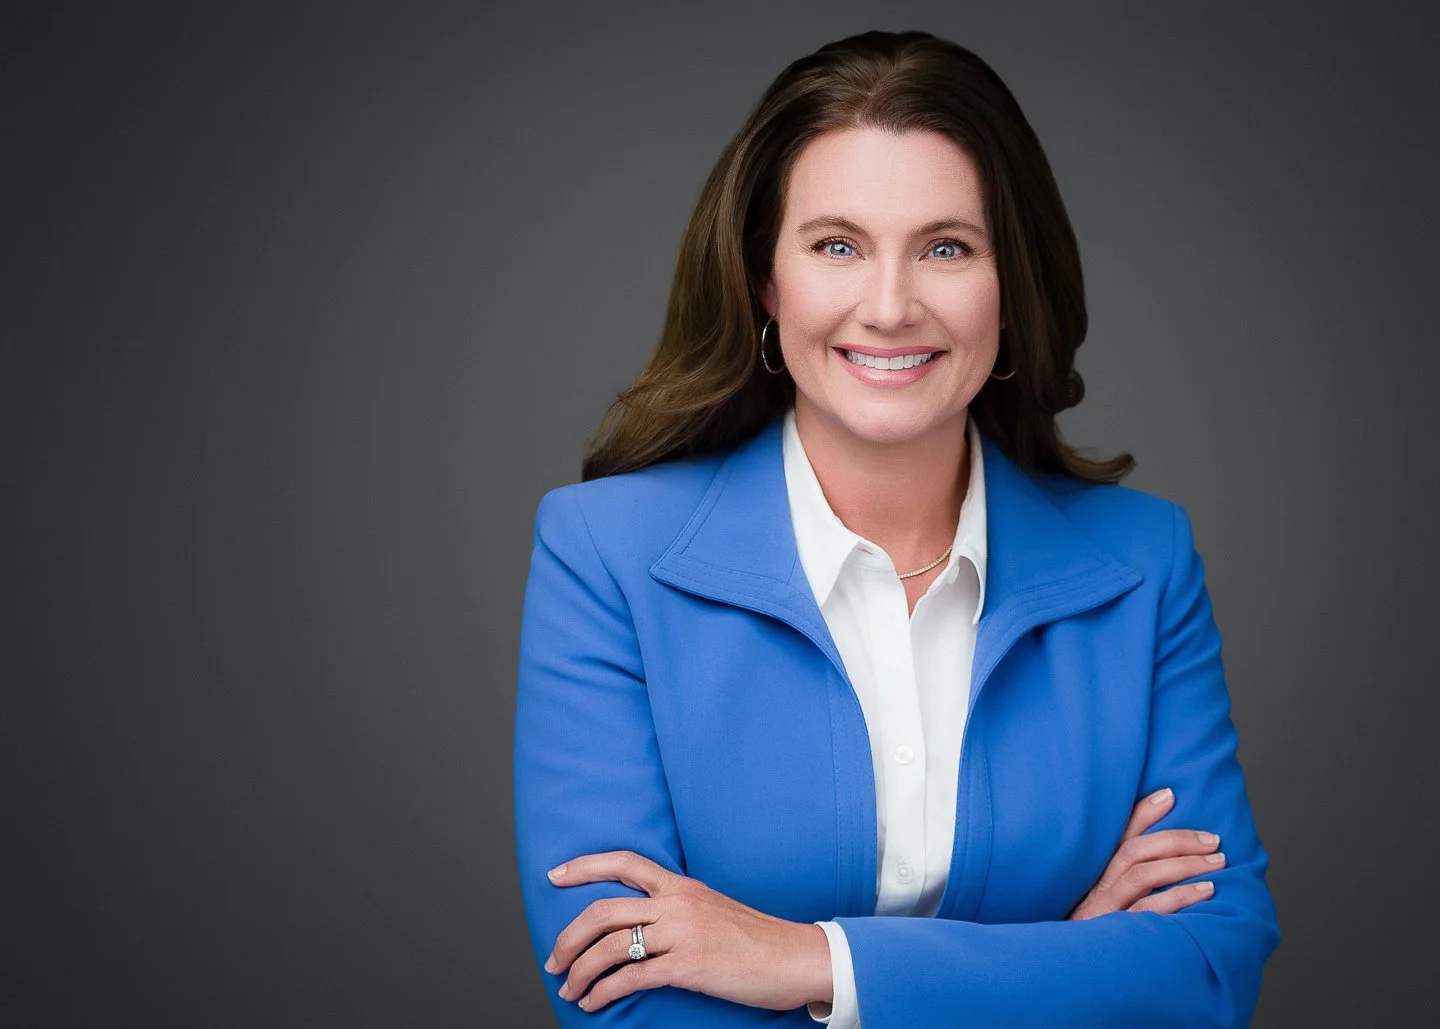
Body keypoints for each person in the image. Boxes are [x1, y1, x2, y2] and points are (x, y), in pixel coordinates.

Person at [512, 29, 1280, 1028]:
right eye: (837, 245)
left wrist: (809, 962)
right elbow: (616, 998)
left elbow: (1209, 974)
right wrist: (1067, 962)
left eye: (946, 247)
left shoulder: (1144, 565)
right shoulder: (604, 556)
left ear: (1013, 288)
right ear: (763, 280)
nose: (888, 306)